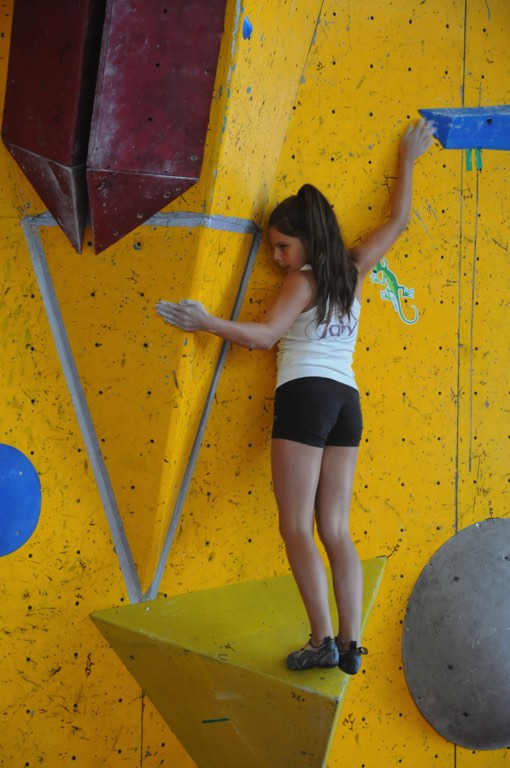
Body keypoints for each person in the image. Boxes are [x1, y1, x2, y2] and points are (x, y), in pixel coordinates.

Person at [155, 119, 435, 674]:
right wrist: (408, 156)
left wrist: (206, 321)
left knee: (295, 527)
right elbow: (398, 221)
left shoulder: (302, 281)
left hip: (307, 396)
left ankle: (321, 640)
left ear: (306, 239)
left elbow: (263, 337)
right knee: (335, 529)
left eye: (283, 246)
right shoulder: (354, 269)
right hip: (347, 404)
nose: (278, 257)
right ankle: (351, 645)